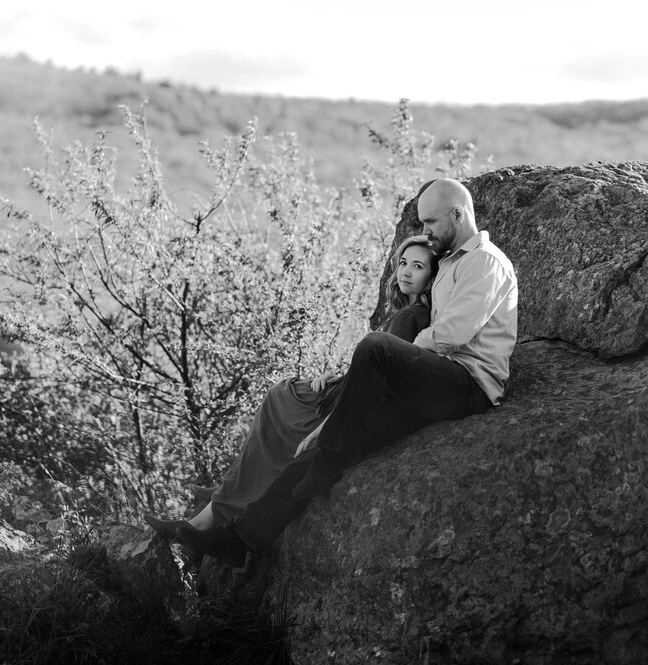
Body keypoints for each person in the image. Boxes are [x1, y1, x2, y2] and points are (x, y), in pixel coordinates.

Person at [173, 178, 518, 568]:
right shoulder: (453, 262)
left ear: (458, 214)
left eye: (431, 223)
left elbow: (452, 334)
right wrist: (334, 422)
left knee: (376, 347)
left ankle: (329, 447)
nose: (425, 232)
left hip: (466, 383)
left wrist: (395, 356)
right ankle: (243, 537)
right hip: (434, 381)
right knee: (327, 447)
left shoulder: (485, 261)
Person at [144, 234, 439, 550]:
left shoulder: (410, 317)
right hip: (341, 391)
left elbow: (382, 378)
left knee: (279, 399)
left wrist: (338, 400)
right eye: (404, 263)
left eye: (418, 266)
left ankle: (207, 517)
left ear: (431, 277)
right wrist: (335, 375)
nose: (406, 272)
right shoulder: (406, 313)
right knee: (282, 397)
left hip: (346, 407)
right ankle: (223, 499)